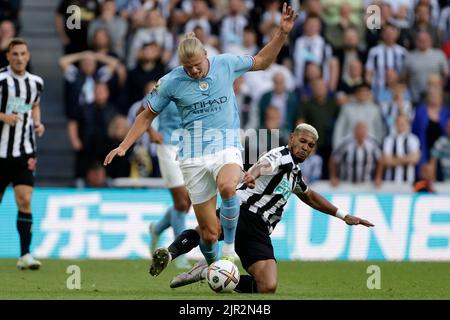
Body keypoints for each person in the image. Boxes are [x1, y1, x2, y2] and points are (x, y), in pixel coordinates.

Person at [104, 3, 298, 275]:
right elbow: (145, 115)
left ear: (206, 55)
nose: (194, 71)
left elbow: (263, 61)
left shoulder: (226, 63)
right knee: (208, 233)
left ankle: (229, 254)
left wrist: (281, 33)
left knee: (229, 188)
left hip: (226, 145)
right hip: (193, 154)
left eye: (197, 65)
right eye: (188, 67)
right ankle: (212, 268)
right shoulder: (171, 81)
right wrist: (124, 146)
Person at [147, 124, 374, 293]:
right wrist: (251, 175)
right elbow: (264, 165)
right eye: (303, 141)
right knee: (206, 231)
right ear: (292, 138)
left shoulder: (294, 173)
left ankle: (209, 271)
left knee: (267, 286)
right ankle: (168, 254)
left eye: (311, 146)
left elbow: (310, 196)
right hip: (243, 212)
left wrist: (343, 216)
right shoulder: (280, 156)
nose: (306, 148)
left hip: (260, 230)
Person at [0, 38, 45, 270]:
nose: (19, 58)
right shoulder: (1, 80)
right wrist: (2, 116)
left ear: (28, 56)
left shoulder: (36, 82)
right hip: (0, 152)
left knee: (25, 200)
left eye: (23, 54)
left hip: (25, 150)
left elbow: (34, 104)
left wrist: (38, 123)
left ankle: (25, 254)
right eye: (14, 54)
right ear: (8, 56)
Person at [146, 98, 192, 270]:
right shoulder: (166, 86)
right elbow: (141, 112)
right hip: (167, 146)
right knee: (181, 203)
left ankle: (156, 229)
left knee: (186, 204)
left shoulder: (200, 87)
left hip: (190, 148)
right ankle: (179, 254)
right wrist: (151, 132)